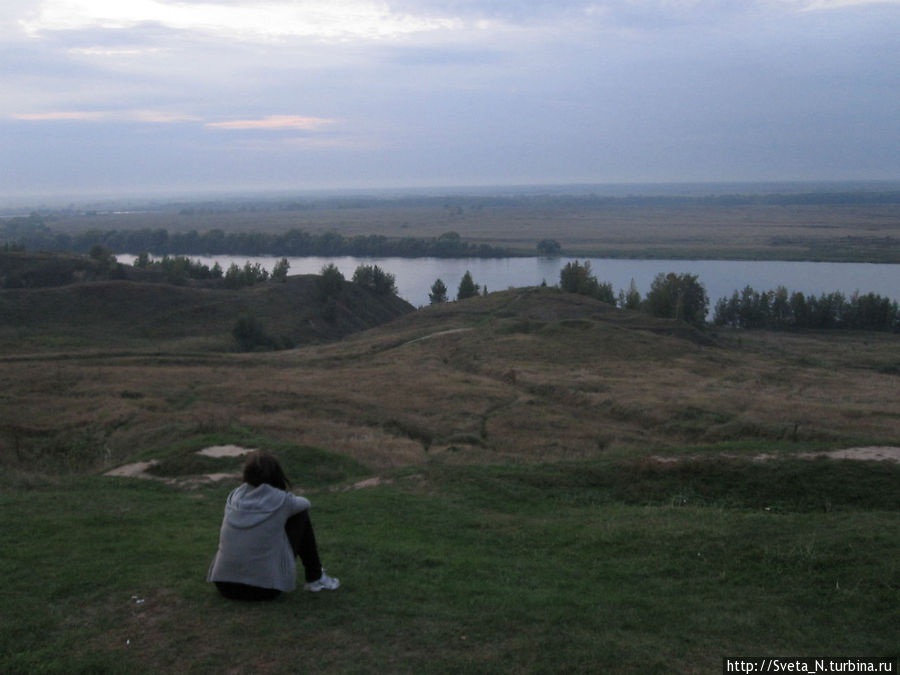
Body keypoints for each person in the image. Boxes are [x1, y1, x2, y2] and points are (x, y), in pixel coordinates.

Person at [207, 450, 339, 600]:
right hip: (264, 589)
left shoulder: (234, 496)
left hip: (224, 585)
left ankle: (315, 577)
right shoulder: (283, 501)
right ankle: (315, 578)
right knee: (300, 514)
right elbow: (306, 503)